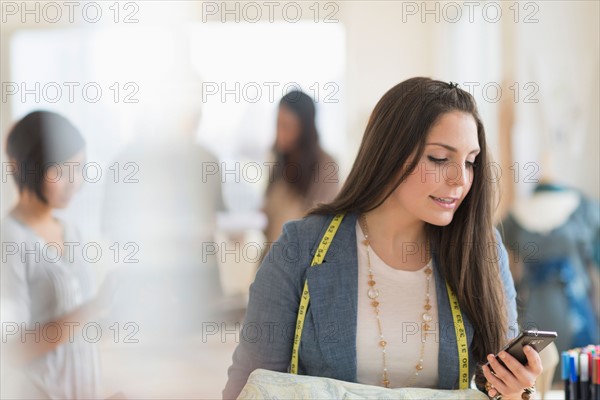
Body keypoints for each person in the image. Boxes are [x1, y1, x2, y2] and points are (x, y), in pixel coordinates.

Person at [223, 78, 543, 400]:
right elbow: (252, 386)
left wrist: (517, 391)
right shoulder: (300, 249)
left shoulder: (481, 251)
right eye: (440, 158)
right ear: (390, 152)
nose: (460, 179)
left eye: (470, 161)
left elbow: (500, 387)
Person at [1, 111, 116, 399]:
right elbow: (10, 350)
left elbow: (76, 333)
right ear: (28, 167)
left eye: (79, 169)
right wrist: (93, 308)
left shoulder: (72, 232)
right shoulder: (9, 240)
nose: (74, 182)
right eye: (61, 171)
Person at [262, 90, 339, 245]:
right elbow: (268, 214)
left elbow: (319, 225)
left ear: (304, 128)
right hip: (271, 258)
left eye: (287, 126)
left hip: (301, 261)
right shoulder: (277, 160)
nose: (280, 133)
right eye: (278, 124)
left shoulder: (326, 165)